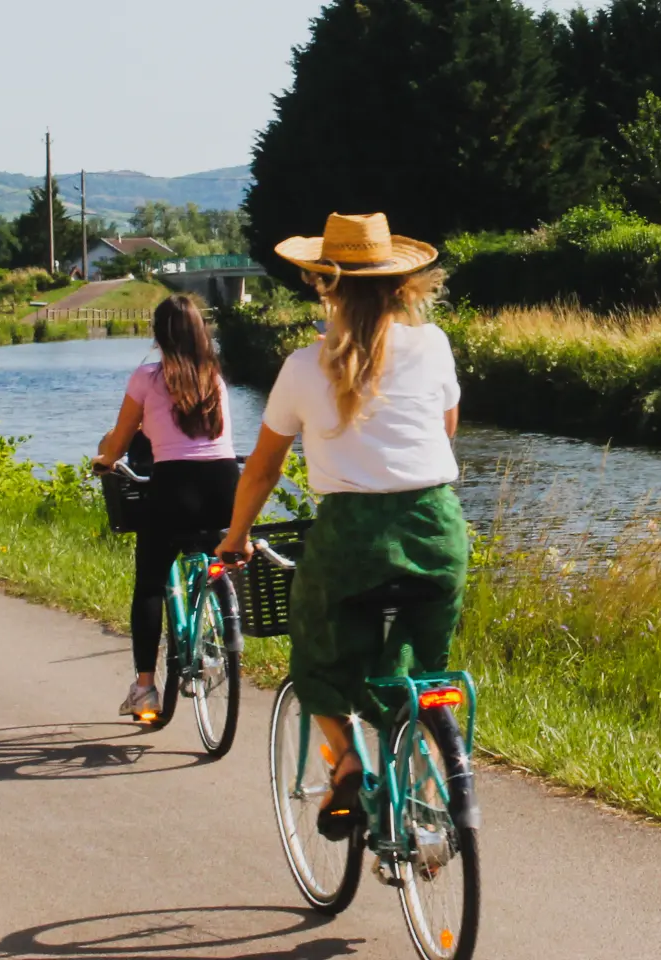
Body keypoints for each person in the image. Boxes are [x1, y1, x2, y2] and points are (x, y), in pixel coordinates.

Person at [217, 213, 466, 837]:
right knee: (421, 664)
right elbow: (445, 431)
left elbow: (263, 469)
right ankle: (425, 792)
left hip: (350, 538)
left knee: (318, 659)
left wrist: (236, 535)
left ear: (323, 283)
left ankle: (348, 763)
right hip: (436, 526)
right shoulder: (433, 344)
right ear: (401, 284)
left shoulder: (303, 366)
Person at [95, 295, 241, 720]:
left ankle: (144, 689)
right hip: (224, 487)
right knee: (212, 555)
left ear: (158, 335)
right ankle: (213, 627)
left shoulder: (147, 377)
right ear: (201, 333)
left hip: (174, 487)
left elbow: (120, 441)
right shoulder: (215, 378)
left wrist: (106, 460)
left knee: (151, 583)